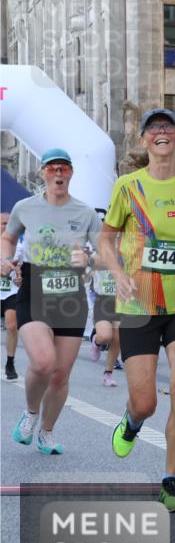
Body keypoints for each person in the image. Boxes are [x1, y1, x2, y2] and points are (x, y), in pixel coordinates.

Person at [100, 108, 175, 512]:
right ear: (144, 141)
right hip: (137, 302)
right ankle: (133, 422)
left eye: (169, 127)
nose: (162, 133)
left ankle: (170, 480)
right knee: (146, 402)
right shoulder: (127, 187)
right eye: (154, 128)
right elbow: (106, 240)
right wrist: (117, 272)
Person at [2, 148, 102, 455]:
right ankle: (31, 413)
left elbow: (103, 254)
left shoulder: (85, 213)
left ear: (71, 173)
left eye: (64, 169)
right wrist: (5, 258)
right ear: (43, 173)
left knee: (60, 375)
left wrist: (88, 257)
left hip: (71, 292)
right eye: (52, 168)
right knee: (43, 362)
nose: (58, 174)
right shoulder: (25, 207)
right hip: (34, 287)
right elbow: (8, 236)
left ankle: (46, 432)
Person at [90, 264, 122, 387]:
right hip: (103, 301)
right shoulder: (99, 253)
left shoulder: (127, 252)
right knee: (105, 336)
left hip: (121, 302)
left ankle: (108, 374)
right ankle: (97, 342)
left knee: (117, 339)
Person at [1, 212, 22, 380]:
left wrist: (20, 279)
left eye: (9, 223)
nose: (6, 226)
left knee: (12, 325)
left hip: (11, 292)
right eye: (3, 223)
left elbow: (22, 271)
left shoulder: (19, 247)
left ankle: (10, 362)